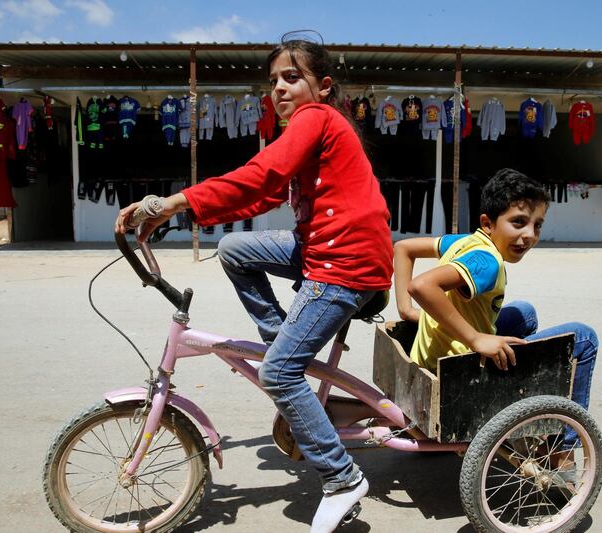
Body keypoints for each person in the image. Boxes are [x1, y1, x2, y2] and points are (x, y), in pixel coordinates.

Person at [115, 37, 393, 532]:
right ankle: (284, 343)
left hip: (344, 265)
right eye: (273, 81)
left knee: (279, 374)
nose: (280, 89)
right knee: (234, 249)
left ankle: (341, 477)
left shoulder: (317, 119)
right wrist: (188, 215)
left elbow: (260, 176)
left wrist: (172, 203)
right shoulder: (308, 129)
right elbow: (258, 197)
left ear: (323, 87)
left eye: (292, 78)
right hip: (322, 251)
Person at [393, 168, 598, 478]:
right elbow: (422, 286)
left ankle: (519, 390)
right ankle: (561, 450)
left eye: (537, 225)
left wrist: (407, 312)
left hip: (432, 352)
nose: (529, 235)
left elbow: (403, 248)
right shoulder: (487, 262)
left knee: (524, 313)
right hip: (457, 364)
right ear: (488, 223)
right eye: (518, 222)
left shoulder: (463, 241)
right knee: (585, 338)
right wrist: (476, 338)